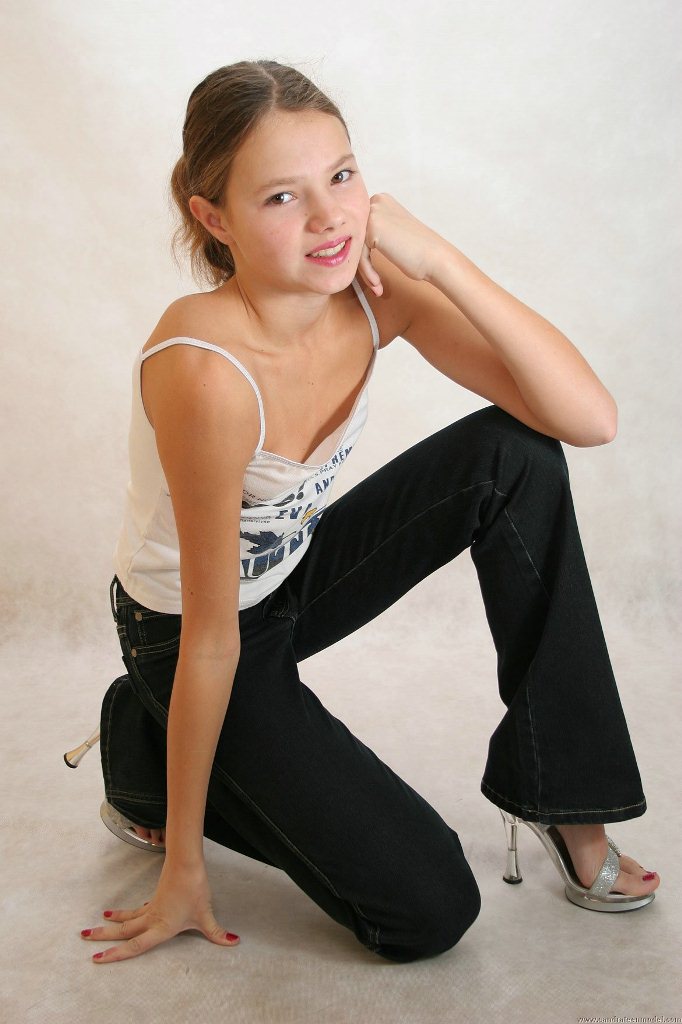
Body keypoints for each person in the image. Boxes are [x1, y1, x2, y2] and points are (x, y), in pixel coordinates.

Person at [81, 60, 660, 965]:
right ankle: (143, 743)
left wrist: (444, 262)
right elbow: (212, 637)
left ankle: (569, 804)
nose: (329, 218)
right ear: (215, 218)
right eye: (282, 196)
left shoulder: (369, 289)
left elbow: (590, 420)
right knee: (427, 909)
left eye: (341, 176)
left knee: (515, 456)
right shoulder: (206, 374)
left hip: (293, 574)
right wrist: (184, 864)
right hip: (190, 631)